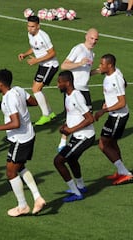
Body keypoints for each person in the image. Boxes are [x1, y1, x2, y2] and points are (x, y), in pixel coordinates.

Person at [0, 69, 46, 217]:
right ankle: (37, 197)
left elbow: (16, 123)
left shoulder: (9, 99)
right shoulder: (18, 90)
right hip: (28, 135)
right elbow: (33, 102)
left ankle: (22, 205)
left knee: (11, 172)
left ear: (0, 83)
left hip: (20, 139)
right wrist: (22, 107)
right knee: (21, 167)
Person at [54, 71, 95, 202]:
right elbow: (73, 115)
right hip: (77, 135)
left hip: (85, 136)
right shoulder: (68, 95)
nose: (57, 85)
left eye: (59, 82)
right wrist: (66, 125)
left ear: (67, 83)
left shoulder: (77, 96)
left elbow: (90, 119)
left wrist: (71, 130)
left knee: (58, 161)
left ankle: (76, 193)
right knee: (72, 159)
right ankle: (81, 186)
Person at [58, 28, 99, 151]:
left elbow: (85, 72)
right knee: (71, 116)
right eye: (91, 38)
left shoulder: (92, 54)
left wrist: (97, 71)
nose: (93, 41)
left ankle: (83, 137)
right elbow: (64, 65)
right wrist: (79, 63)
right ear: (86, 36)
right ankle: (63, 141)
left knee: (87, 115)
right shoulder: (78, 49)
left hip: (85, 89)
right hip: (74, 89)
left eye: (96, 39)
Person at [94, 54, 132, 185]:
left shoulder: (115, 79)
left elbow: (122, 103)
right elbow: (125, 84)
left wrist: (104, 110)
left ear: (109, 65)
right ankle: (120, 170)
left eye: (102, 64)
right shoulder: (112, 73)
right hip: (114, 114)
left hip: (118, 116)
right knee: (112, 143)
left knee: (103, 144)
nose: (100, 66)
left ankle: (125, 173)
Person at [18, 15, 58, 126]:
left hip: (50, 65)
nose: (30, 29)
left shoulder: (43, 36)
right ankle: (50, 113)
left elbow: (52, 53)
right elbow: (34, 47)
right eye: (28, 26)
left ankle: (45, 115)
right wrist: (25, 54)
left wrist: (36, 60)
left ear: (38, 26)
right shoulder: (30, 34)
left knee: (36, 89)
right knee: (36, 88)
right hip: (42, 64)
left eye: (32, 27)